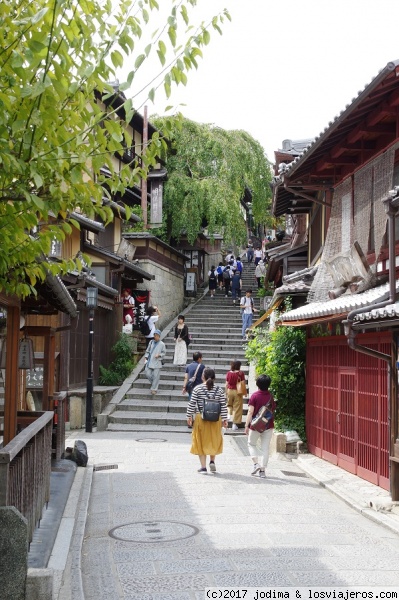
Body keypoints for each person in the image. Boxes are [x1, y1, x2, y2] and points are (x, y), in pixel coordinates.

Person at [186, 367, 228, 473]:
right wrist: (224, 419)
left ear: (202, 377)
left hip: (201, 417)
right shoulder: (219, 390)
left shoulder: (198, 388)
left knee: (200, 441)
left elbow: (192, 403)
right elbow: (223, 405)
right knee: (213, 439)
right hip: (215, 419)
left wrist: (189, 416)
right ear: (214, 378)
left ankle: (203, 467)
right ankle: (212, 461)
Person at [245, 374, 276, 478]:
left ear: (257, 384)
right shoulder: (271, 397)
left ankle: (256, 464)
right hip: (268, 425)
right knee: (265, 448)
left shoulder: (254, 396)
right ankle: (262, 471)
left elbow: (250, 412)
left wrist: (246, 425)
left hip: (255, 425)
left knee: (251, 444)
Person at [225, 360, 246, 431]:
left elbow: (226, 383)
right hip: (238, 392)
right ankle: (234, 424)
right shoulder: (241, 373)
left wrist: (226, 392)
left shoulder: (228, 373)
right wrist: (244, 393)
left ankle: (228, 416)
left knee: (229, 405)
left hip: (230, 390)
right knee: (237, 408)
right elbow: (243, 383)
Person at [144, 329, 166, 395]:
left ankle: (154, 389)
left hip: (157, 362)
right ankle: (154, 384)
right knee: (147, 373)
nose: (155, 337)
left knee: (156, 376)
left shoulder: (162, 344)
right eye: (154, 335)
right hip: (150, 361)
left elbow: (164, 353)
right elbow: (147, 350)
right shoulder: (151, 342)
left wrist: (159, 355)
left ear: (159, 336)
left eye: (157, 335)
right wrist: (146, 357)